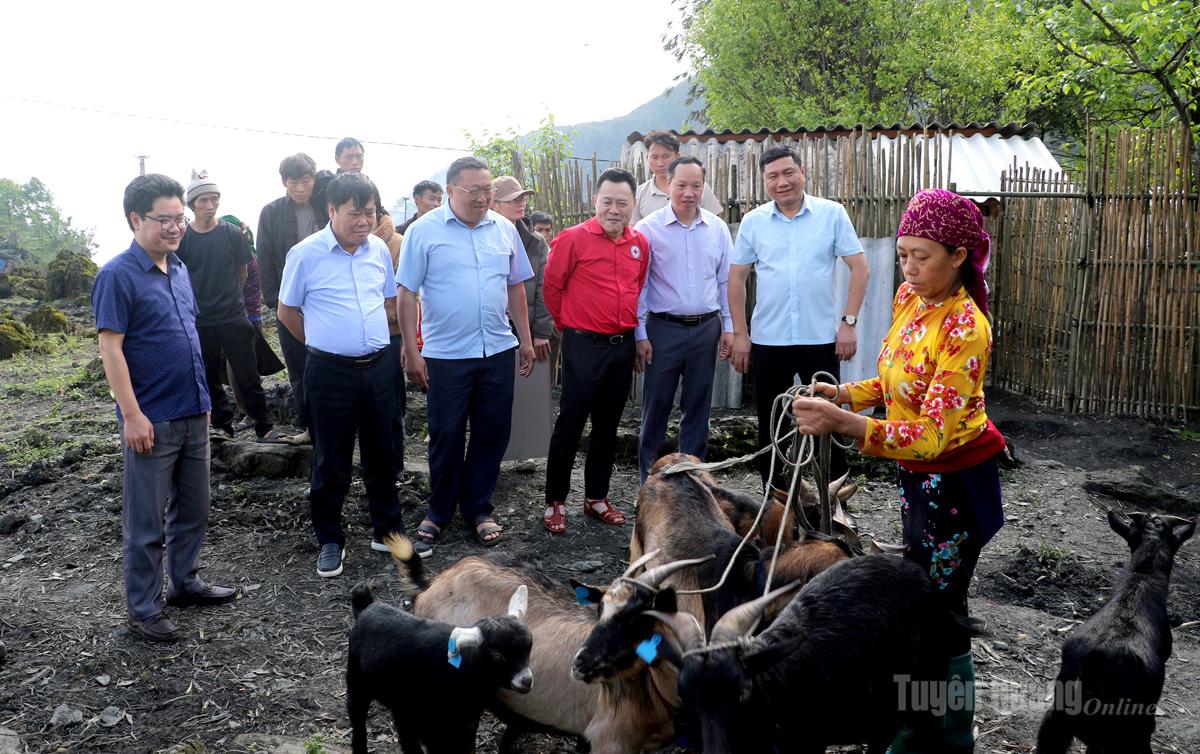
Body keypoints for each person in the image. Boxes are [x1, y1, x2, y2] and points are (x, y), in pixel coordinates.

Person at [792, 189, 1006, 753]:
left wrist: (845, 422)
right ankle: (921, 724)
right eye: (904, 254)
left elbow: (933, 436)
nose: (907, 268)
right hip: (919, 478)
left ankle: (943, 732)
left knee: (939, 611)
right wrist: (846, 393)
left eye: (922, 256)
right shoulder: (913, 301)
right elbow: (894, 385)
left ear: (959, 255)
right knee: (923, 602)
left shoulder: (965, 327)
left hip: (956, 483)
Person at [92, 174, 237, 642]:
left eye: (181, 219)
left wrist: (206, 400)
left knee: (194, 508)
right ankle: (142, 608)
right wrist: (131, 415)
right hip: (151, 418)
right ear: (136, 219)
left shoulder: (178, 268)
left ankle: (186, 583)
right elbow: (111, 351)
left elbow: (190, 337)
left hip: (194, 410)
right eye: (166, 219)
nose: (177, 227)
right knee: (147, 521)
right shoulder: (117, 275)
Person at [277, 172, 426, 577]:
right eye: (355, 214)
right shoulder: (306, 254)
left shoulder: (377, 248)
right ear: (332, 210)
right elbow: (286, 311)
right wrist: (321, 343)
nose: (364, 222)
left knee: (384, 451)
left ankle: (388, 531)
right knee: (332, 459)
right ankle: (329, 538)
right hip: (329, 372)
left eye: (371, 213)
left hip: (379, 366)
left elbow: (389, 299)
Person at [398, 156, 535, 548]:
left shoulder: (505, 229)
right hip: (445, 355)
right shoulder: (423, 232)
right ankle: (438, 511)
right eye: (474, 191)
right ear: (452, 191)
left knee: (492, 433)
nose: (482, 197)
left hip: (497, 348)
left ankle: (477, 508)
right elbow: (407, 292)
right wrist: (411, 349)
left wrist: (524, 339)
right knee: (446, 433)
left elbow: (515, 288)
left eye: (487, 190)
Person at [728, 146, 869, 491]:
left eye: (788, 172)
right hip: (768, 339)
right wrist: (741, 334)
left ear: (802, 171)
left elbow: (860, 268)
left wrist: (848, 323)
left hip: (819, 338)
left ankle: (834, 497)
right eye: (773, 176)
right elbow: (736, 278)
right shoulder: (754, 222)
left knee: (829, 417)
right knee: (771, 421)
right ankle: (774, 496)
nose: (782, 182)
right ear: (764, 181)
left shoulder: (831, 214)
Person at [542, 168, 649, 533]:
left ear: (633, 205)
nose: (614, 210)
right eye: (608, 202)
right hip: (583, 345)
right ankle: (555, 501)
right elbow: (552, 289)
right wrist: (570, 325)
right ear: (595, 202)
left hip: (621, 347)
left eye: (622, 203)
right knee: (570, 423)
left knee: (608, 426)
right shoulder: (572, 239)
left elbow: (639, 284)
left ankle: (596, 498)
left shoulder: (639, 243)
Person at [634, 156, 734, 482]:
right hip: (663, 329)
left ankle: (693, 480)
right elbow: (640, 285)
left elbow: (725, 283)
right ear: (668, 185)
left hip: (707, 328)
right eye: (681, 185)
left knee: (698, 407)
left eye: (696, 185)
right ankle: (650, 482)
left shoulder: (717, 229)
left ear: (703, 187)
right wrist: (640, 333)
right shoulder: (648, 229)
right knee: (656, 407)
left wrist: (729, 327)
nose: (688, 192)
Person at [176, 174, 282, 443]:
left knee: (248, 374)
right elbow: (179, 274)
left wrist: (231, 298)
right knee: (209, 374)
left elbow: (243, 272)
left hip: (233, 315)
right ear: (192, 204)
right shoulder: (184, 238)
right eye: (203, 200)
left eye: (214, 199)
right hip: (200, 318)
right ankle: (223, 425)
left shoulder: (232, 233)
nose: (210, 205)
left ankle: (264, 426)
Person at [258, 153, 326, 445]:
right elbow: (264, 258)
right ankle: (310, 426)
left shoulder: (327, 206)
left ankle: (338, 424)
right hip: (289, 303)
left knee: (329, 362)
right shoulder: (271, 212)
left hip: (325, 299)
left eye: (306, 180)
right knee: (299, 367)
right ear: (284, 182)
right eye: (293, 182)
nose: (300, 187)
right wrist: (274, 299)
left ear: (314, 179)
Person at [491, 176, 554, 363]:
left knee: (529, 388)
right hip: (493, 328)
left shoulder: (536, 241)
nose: (521, 204)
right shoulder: (483, 238)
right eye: (513, 200)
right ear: (494, 204)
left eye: (522, 199)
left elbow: (544, 287)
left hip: (528, 327)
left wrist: (542, 332)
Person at [630, 130, 723, 225]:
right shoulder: (639, 194)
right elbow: (634, 232)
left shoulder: (699, 189)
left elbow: (714, 224)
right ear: (647, 158)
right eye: (654, 157)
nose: (660, 163)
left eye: (666, 156)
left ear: (677, 156)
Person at [333, 137, 402, 259]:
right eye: (349, 157)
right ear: (337, 159)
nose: (355, 162)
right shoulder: (329, 187)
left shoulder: (369, 186)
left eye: (359, 156)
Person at [529, 210, 561, 381]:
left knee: (547, 368)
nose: (544, 234)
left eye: (548, 230)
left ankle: (545, 402)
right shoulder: (528, 252)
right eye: (540, 229)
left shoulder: (556, 252)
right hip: (532, 319)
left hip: (553, 321)